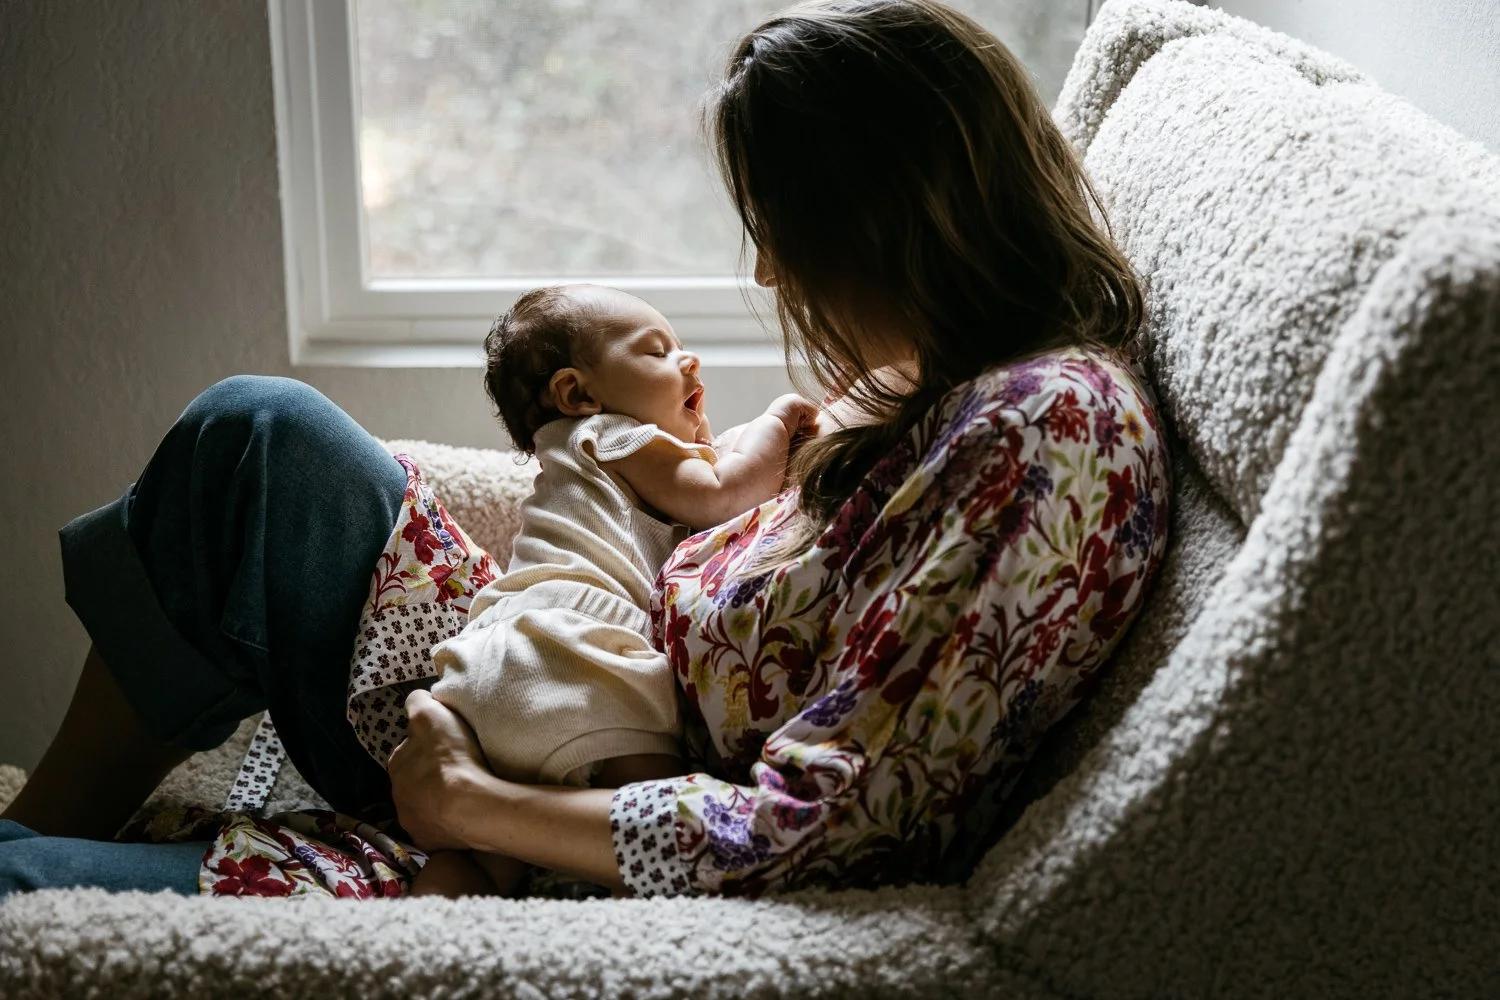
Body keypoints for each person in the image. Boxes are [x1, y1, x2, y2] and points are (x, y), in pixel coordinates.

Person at [0, 0, 1170, 900]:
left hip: (570, 795)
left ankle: (35, 857)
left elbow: (825, 826)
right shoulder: (938, 376)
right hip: (545, 664)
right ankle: (52, 813)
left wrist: (469, 803)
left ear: (889, 218)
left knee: (23, 901)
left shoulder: (1046, 435)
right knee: (257, 434)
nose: (768, 277)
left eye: (781, 237)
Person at [411, 283, 817, 898]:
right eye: (657, 351)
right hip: (578, 645)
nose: (688, 361)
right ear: (578, 393)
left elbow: (704, 464)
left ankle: (407, 935)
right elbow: (717, 492)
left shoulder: (576, 458)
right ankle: (628, 926)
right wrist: (778, 421)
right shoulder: (614, 435)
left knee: (484, 861)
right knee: (648, 804)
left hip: (486, 662)